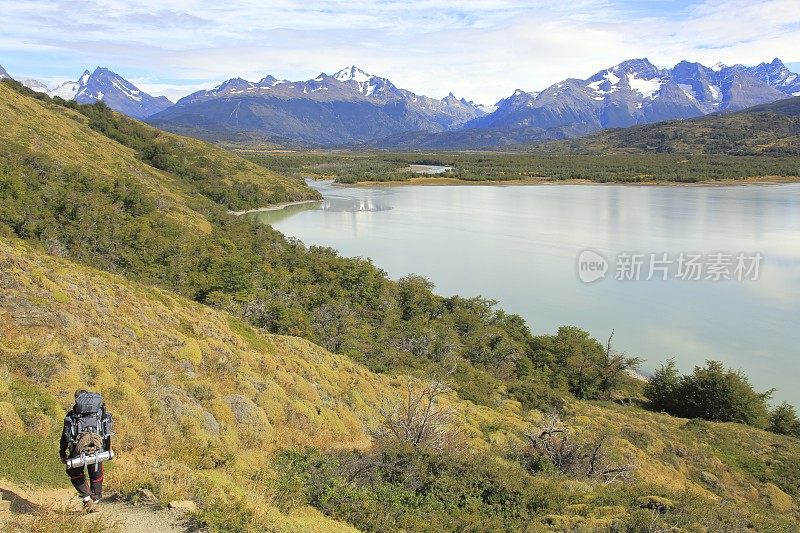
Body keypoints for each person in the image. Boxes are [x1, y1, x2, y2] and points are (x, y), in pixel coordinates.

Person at [59, 389, 113, 513]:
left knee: (74, 472)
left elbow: (65, 436)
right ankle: (96, 498)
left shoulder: (72, 415)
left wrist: (62, 453)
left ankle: (87, 499)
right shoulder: (99, 413)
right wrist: (107, 448)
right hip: (97, 447)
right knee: (97, 473)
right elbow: (107, 432)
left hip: (77, 449)